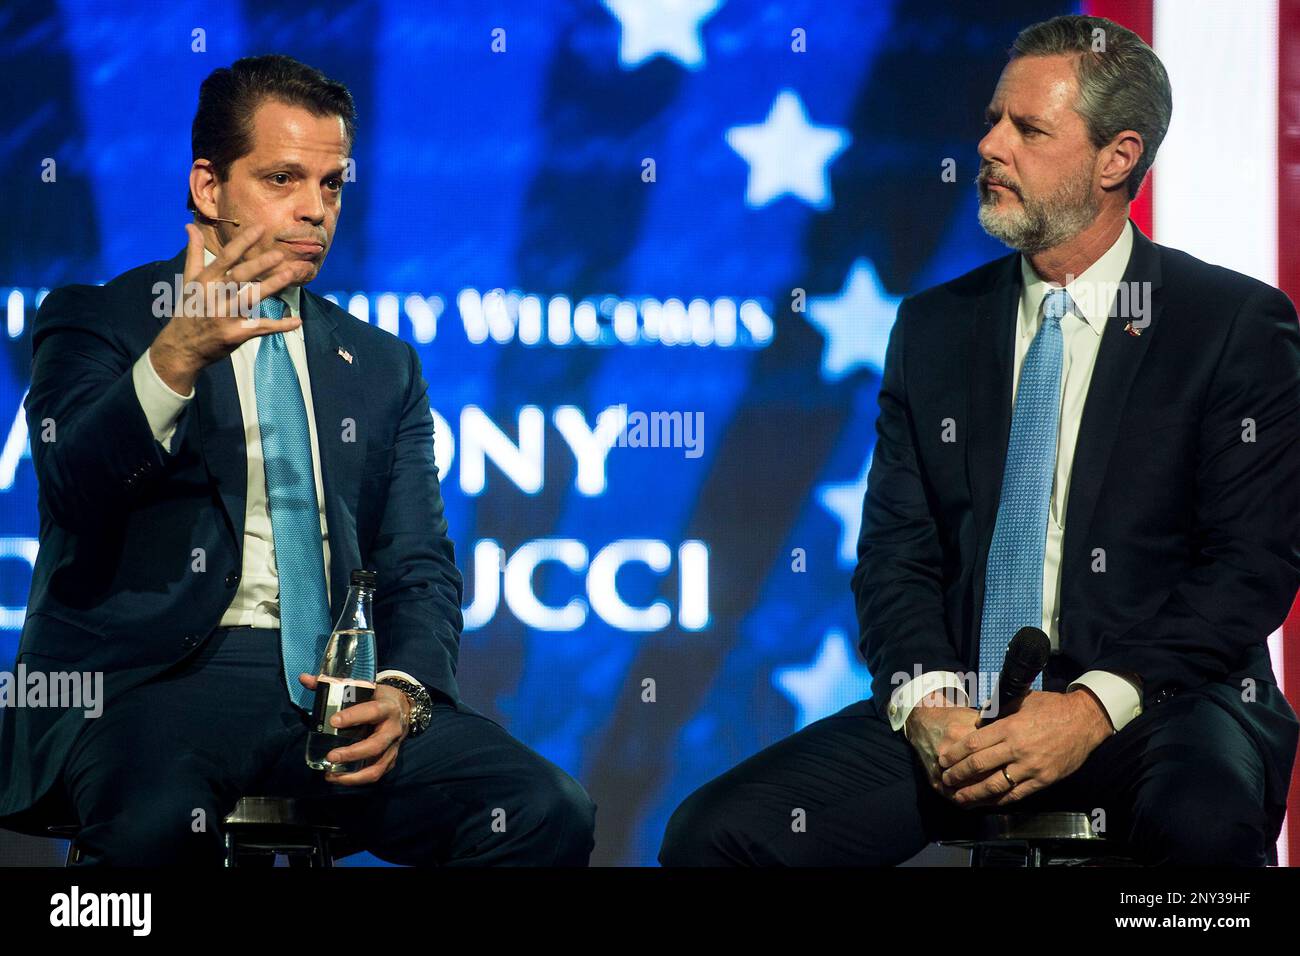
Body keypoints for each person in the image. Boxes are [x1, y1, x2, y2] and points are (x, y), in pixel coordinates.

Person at [659, 14, 1300, 867]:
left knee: (1202, 830)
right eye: (994, 119)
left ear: (1117, 159)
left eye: (1029, 129)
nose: (990, 145)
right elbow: (897, 553)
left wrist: (1089, 708)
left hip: (1160, 701)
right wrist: (924, 698)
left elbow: (1248, 567)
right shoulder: (934, 328)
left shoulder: (1228, 325)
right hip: (968, 709)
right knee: (719, 835)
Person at [0, 54, 595, 866]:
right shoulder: (101, 321)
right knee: (150, 835)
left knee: (541, 808)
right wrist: (174, 359)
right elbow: (73, 488)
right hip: (154, 687)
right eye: (282, 179)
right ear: (209, 187)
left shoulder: (381, 365)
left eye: (332, 185)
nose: (314, 210)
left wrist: (406, 692)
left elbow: (418, 564)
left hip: (333, 693)